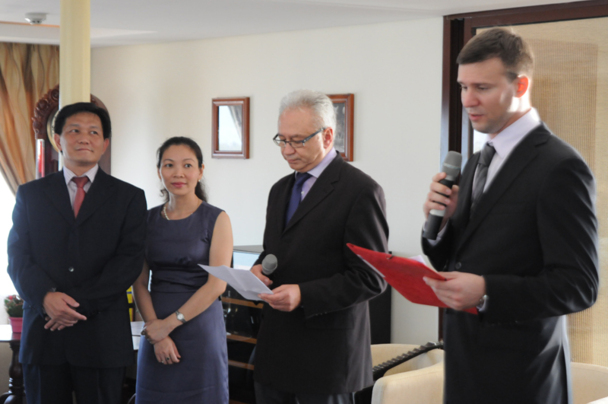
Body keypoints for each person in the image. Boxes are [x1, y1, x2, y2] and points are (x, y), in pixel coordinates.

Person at [422, 28, 598, 404]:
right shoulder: (475, 161)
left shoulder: (560, 167)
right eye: (462, 87)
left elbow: (579, 285)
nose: (468, 100)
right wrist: (440, 226)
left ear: (520, 87)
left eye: (481, 88)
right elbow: (460, 257)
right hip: (465, 365)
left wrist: (487, 290)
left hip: (523, 378)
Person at [251, 89, 389, 404]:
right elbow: (276, 251)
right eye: (282, 140)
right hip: (276, 351)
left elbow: (371, 278)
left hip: (327, 358)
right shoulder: (280, 190)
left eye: (298, 140)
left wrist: (303, 294)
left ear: (327, 136)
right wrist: (260, 267)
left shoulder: (360, 191)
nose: (287, 150)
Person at [7, 102, 147, 404]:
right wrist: (46, 298)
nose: (85, 138)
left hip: (101, 338)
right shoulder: (31, 194)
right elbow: (18, 257)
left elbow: (129, 261)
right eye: (75, 130)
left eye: (94, 132)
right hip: (44, 334)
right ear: (58, 140)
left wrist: (73, 306)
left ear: (105, 143)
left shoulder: (129, 198)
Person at [132, 136, 232, 403]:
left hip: (200, 329)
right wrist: (156, 331)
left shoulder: (217, 219)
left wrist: (169, 325)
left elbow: (216, 285)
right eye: (169, 165)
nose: (178, 173)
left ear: (200, 171)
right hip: (154, 330)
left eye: (187, 165)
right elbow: (139, 282)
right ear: (159, 171)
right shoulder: (146, 220)